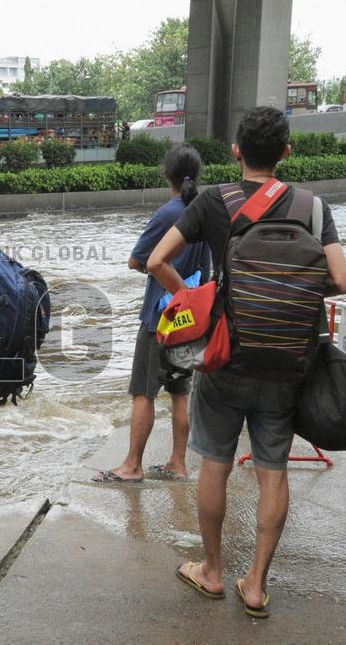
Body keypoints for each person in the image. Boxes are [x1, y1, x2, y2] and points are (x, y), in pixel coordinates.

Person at [147, 106, 346, 618]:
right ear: (286, 152)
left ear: (237, 151)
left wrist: (196, 303)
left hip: (224, 361)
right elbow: (343, 282)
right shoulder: (312, 207)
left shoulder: (215, 201)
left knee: (214, 461)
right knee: (272, 470)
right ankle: (256, 584)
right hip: (287, 363)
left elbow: (156, 261)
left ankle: (213, 572)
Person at [93, 144, 211, 483]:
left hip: (160, 317)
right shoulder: (203, 209)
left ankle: (132, 465)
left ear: (166, 174)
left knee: (143, 392)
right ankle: (178, 462)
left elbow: (136, 260)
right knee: (180, 392)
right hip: (191, 318)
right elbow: (206, 269)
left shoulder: (167, 214)